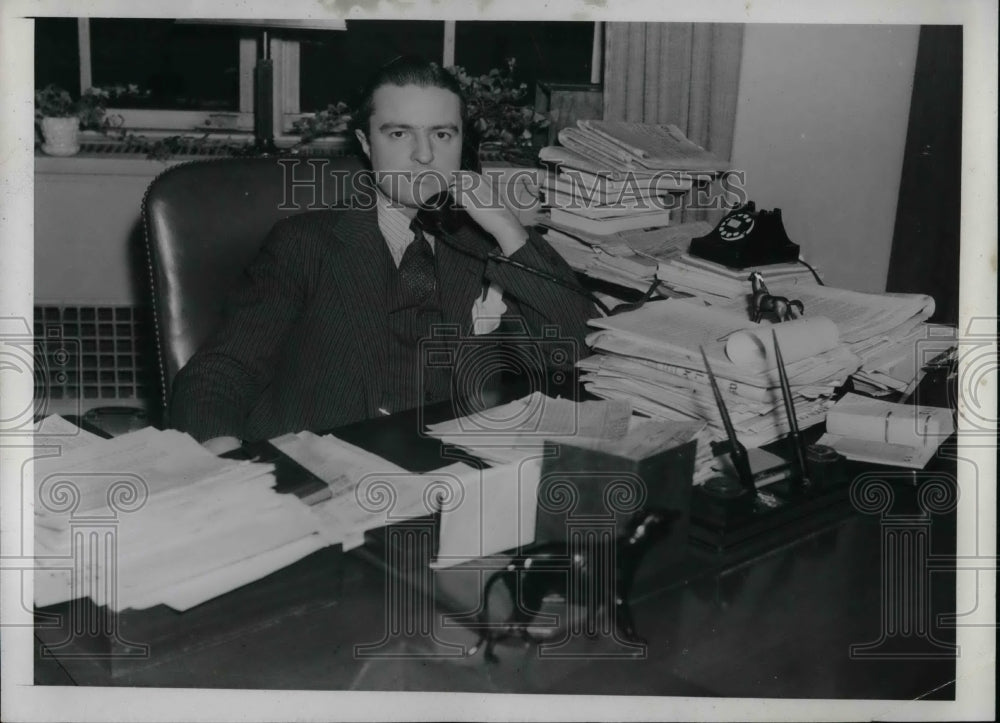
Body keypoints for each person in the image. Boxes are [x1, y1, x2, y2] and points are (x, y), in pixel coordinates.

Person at [170, 57, 595, 453]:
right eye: (398, 133)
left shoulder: (486, 250)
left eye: (442, 134)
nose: (424, 155)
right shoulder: (306, 243)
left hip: (441, 474)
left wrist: (509, 230)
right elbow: (223, 370)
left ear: (463, 145)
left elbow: (578, 352)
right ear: (366, 143)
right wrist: (226, 465)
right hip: (325, 474)